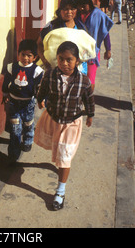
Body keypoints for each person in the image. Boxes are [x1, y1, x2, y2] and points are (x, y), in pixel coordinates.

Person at [34, 41, 95, 211]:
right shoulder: (51, 74)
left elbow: (89, 99)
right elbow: (43, 89)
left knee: (64, 157)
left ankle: (60, 192)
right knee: (58, 152)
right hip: (54, 118)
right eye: (61, 59)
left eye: (69, 60)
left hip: (72, 123)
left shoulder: (83, 81)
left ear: (77, 61)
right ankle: (60, 172)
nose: (65, 63)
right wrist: (40, 99)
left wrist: (90, 115)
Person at [2, 39, 44, 162]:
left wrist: (40, 99)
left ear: (35, 57)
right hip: (14, 102)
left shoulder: (37, 71)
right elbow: (6, 83)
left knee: (28, 123)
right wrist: (5, 94)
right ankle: (13, 155)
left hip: (28, 103)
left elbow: (39, 88)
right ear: (18, 54)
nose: (25, 58)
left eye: (29, 56)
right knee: (15, 128)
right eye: (23, 55)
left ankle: (28, 140)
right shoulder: (12, 67)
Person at [76, 0, 113, 92]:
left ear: (90, 4)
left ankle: (88, 102)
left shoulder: (98, 14)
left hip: (93, 52)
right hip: (79, 52)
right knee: (80, 77)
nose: (82, 8)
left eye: (84, 6)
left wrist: (108, 49)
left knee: (90, 79)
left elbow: (105, 33)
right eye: (80, 6)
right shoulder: (77, 16)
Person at [37, 0, 85, 70]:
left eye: (72, 9)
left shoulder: (80, 27)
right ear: (60, 11)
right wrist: (45, 61)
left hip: (76, 69)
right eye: (66, 9)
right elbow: (39, 44)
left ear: (76, 10)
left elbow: (85, 47)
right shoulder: (51, 26)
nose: (69, 12)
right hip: (53, 68)